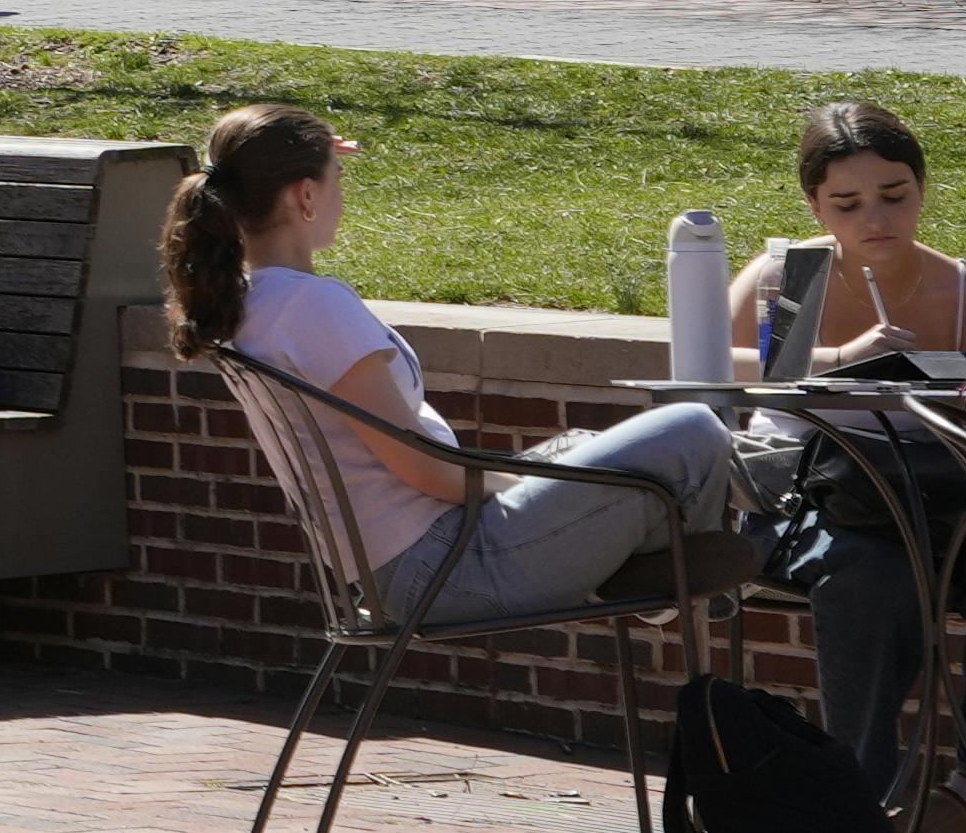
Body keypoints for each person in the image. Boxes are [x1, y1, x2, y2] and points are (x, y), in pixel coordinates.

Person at [171, 100, 738, 634]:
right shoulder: (312, 308)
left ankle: (650, 569)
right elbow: (426, 471)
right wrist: (525, 483)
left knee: (584, 447)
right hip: (448, 568)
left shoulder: (253, 304)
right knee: (692, 428)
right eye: (337, 179)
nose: (343, 194)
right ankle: (679, 581)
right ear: (304, 196)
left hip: (403, 569)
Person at [728, 97, 966, 833]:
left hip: (936, 505)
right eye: (847, 204)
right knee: (869, 574)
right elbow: (708, 368)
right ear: (814, 206)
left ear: (922, 191)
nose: (875, 219)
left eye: (894, 196)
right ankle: (864, 800)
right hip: (806, 501)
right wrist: (842, 359)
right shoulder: (792, 275)